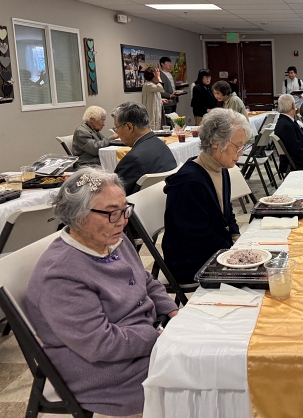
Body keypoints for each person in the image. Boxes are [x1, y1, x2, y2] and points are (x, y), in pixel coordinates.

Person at [25, 168, 179, 416]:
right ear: (78, 215)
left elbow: (145, 280)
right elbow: (101, 344)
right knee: (202, 374)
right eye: (112, 212)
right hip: (107, 371)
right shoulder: (60, 275)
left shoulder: (112, 238)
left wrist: (172, 313)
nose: (122, 220)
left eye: (125, 209)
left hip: (140, 343)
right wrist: (157, 335)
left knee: (213, 353)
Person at [162, 109, 249, 285]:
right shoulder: (189, 182)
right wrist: (233, 252)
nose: (240, 153)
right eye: (237, 146)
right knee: (261, 280)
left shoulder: (220, 168)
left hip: (213, 250)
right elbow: (198, 237)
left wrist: (235, 236)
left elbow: (227, 213)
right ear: (216, 142)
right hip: (191, 262)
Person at [111, 102, 177, 195]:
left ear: (129, 127)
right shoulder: (161, 145)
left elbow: (116, 196)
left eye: (116, 128)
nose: (117, 133)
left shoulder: (133, 159)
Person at [274, 94, 303, 173]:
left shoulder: (288, 121)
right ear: (293, 106)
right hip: (299, 162)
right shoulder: (286, 125)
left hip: (301, 157)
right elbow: (297, 150)